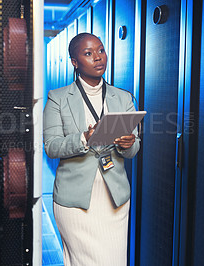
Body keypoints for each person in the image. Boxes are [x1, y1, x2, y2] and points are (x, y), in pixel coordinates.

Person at [43, 32, 140, 266]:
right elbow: (51, 146)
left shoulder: (124, 97)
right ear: (75, 62)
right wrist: (85, 138)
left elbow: (134, 147)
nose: (98, 57)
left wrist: (129, 144)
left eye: (101, 50)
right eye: (88, 53)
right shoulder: (57, 98)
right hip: (75, 202)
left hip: (115, 200)